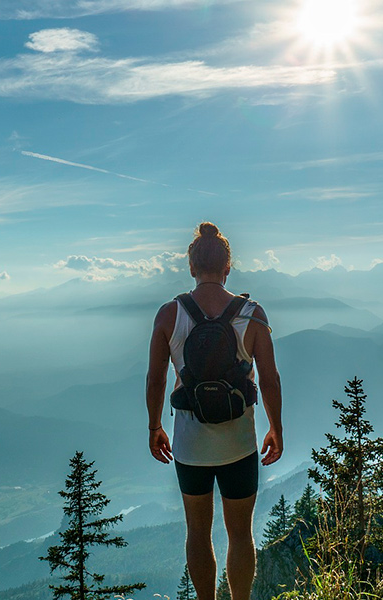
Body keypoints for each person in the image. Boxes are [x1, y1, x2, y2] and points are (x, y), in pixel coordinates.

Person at [146, 222, 283, 600]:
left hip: (190, 445)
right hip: (239, 443)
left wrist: (154, 425)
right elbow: (270, 381)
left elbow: (156, 380)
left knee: (197, 532)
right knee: (241, 534)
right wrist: (277, 428)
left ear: (191, 267)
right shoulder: (253, 314)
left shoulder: (169, 315)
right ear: (228, 268)